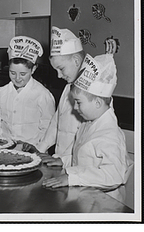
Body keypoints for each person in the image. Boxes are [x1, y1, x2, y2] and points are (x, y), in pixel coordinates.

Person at [42, 53, 133, 188]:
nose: (74, 107)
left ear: (97, 103)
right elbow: (85, 161)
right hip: (87, 194)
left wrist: (72, 178)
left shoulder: (110, 134)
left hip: (105, 202)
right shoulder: (87, 124)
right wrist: (63, 161)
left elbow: (114, 175)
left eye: (78, 102)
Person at [23, 27, 86, 167]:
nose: (58, 75)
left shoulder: (92, 92)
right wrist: (40, 148)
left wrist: (64, 161)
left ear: (76, 60)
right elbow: (56, 123)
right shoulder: (68, 86)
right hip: (61, 162)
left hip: (78, 166)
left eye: (61, 68)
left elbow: (90, 143)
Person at [0, 36, 55, 146]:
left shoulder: (43, 95)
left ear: (33, 69)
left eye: (23, 74)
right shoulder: (2, 92)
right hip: (4, 148)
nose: (17, 78)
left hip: (33, 150)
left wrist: (36, 147)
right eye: (13, 73)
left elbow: (48, 127)